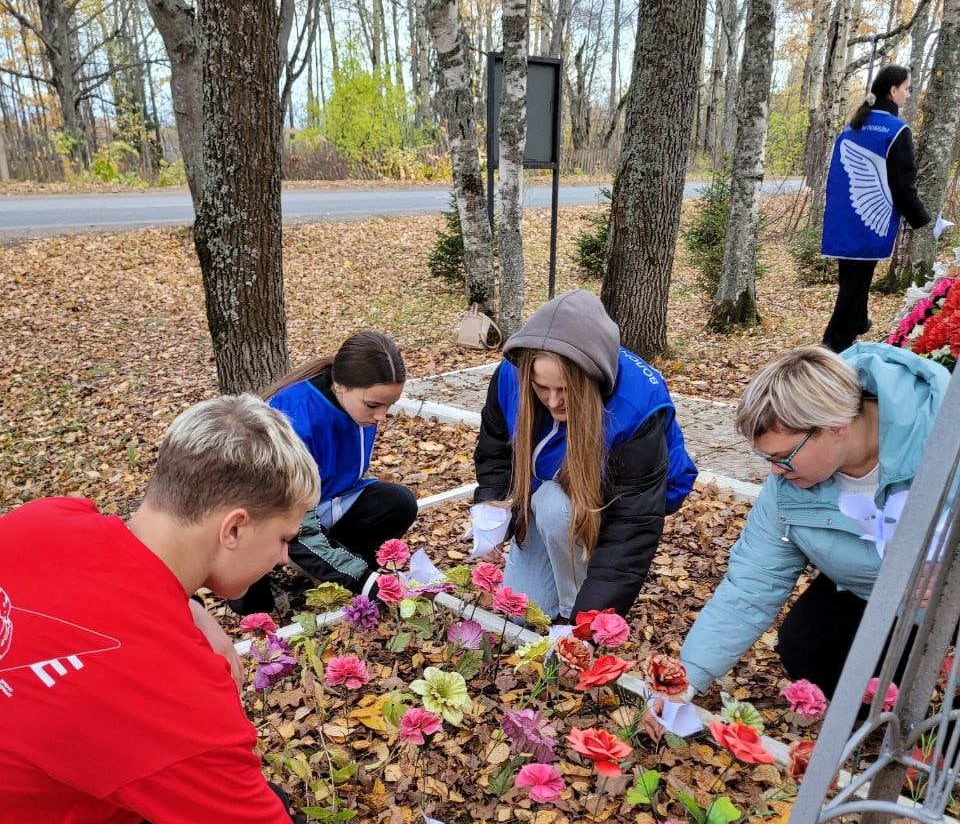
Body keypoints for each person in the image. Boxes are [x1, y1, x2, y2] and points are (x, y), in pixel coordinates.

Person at [0, 394, 474, 824]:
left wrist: (187, 605)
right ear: (233, 527)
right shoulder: (169, 692)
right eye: (283, 539)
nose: (285, 559)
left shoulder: (48, 520)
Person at [670, 343, 950, 708]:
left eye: (783, 457)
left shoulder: (945, 434)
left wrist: (950, 573)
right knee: (807, 647)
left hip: (946, 601)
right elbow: (753, 583)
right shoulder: (788, 488)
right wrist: (688, 676)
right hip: (868, 590)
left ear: (835, 427)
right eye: (767, 458)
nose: (774, 471)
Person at [472, 290, 697, 622]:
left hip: (614, 502)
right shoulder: (511, 375)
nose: (551, 402)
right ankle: (564, 564)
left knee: (553, 505)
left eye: (565, 390)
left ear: (591, 381)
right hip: (553, 492)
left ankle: (568, 607)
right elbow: (495, 448)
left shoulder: (636, 409)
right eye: (541, 388)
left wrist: (583, 623)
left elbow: (630, 530)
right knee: (520, 613)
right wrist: (492, 502)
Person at [230, 330, 418, 615]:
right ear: (341, 385)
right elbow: (293, 520)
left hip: (320, 501)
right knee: (257, 609)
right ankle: (257, 584)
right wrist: (367, 583)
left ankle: (333, 569)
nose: (382, 416)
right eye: (374, 405)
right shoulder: (293, 421)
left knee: (398, 503)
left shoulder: (355, 404)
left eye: (389, 405)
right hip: (264, 514)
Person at [821, 64, 930, 354]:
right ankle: (833, 346)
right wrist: (924, 221)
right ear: (892, 91)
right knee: (853, 289)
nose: (908, 94)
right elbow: (902, 184)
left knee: (852, 283)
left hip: (844, 221)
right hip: (870, 224)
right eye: (906, 88)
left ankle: (858, 322)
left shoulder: (852, 127)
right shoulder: (896, 131)